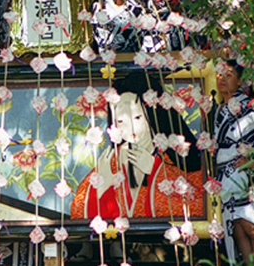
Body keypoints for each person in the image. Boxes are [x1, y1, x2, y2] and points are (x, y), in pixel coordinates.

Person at [71, 72, 203, 219]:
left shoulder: (175, 153)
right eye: (121, 121)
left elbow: (200, 205)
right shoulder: (112, 160)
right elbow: (78, 210)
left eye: (137, 117)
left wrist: (155, 169)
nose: (130, 127)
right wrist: (103, 187)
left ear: (153, 114)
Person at [214, 60, 254, 266]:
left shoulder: (247, 106)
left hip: (242, 173)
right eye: (219, 74)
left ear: (239, 81)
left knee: (251, 225)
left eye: (228, 75)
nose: (221, 79)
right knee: (237, 227)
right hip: (226, 174)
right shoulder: (219, 109)